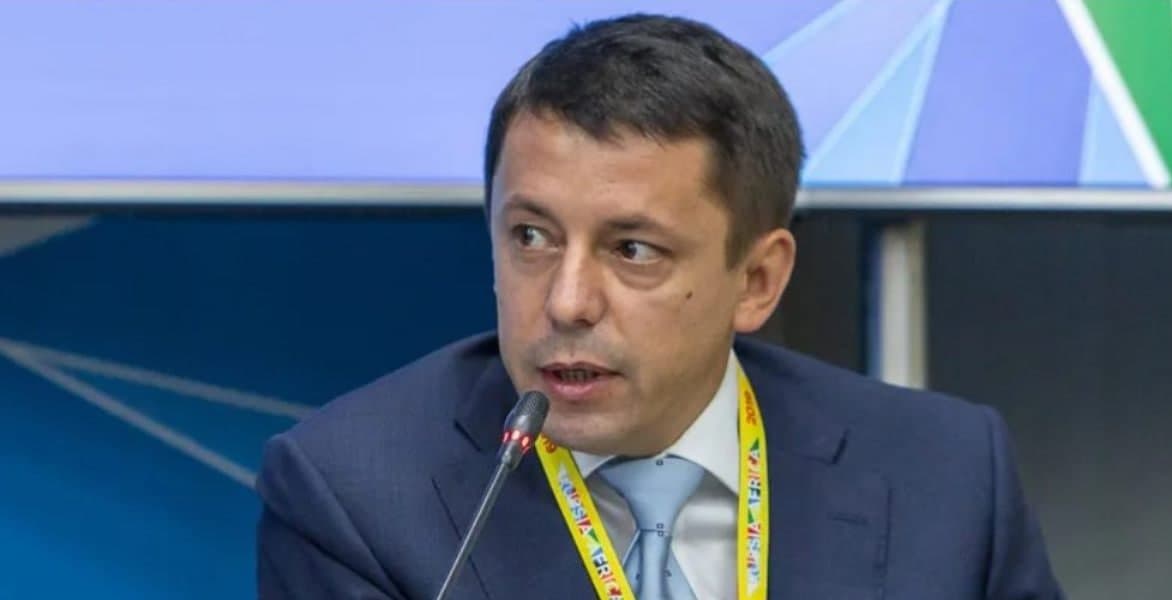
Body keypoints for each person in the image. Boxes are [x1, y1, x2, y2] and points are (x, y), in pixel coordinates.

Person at [256, 13, 1062, 600]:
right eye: (531, 237)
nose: (567, 302)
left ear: (757, 281)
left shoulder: (946, 477)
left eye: (633, 250)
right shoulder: (356, 496)